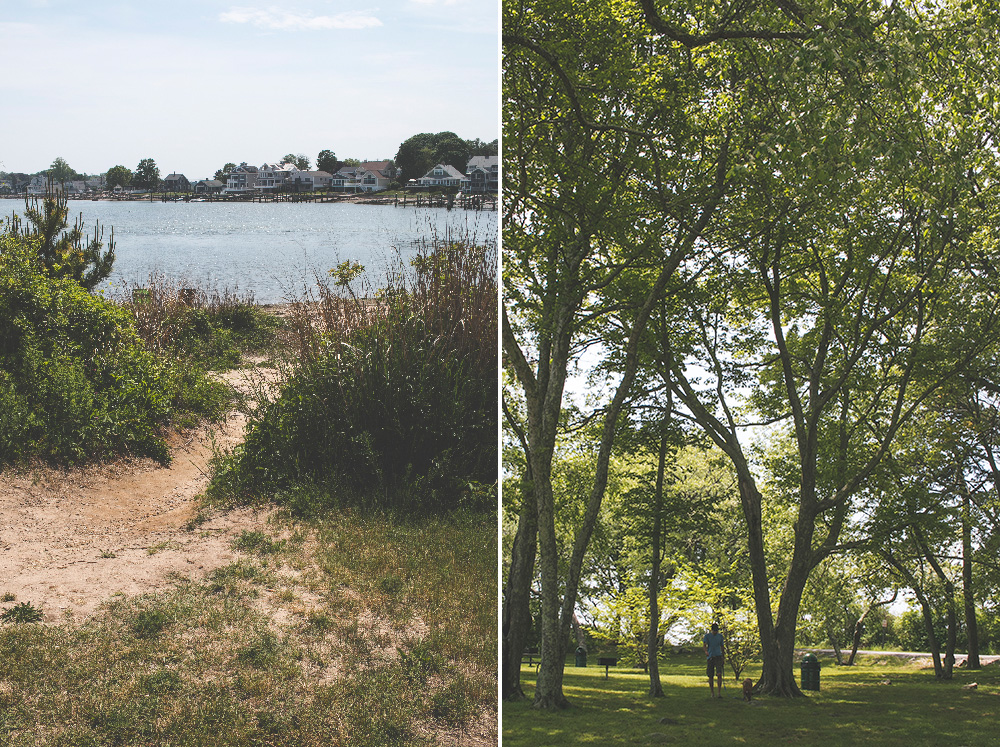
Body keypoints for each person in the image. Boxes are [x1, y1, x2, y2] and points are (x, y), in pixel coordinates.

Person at [703, 622, 725, 698]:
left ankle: (719, 692)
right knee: (710, 675)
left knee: (719, 674)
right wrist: (706, 652)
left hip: (718, 656)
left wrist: (723, 656)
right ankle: (712, 693)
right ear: (711, 630)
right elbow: (704, 645)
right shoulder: (707, 636)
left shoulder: (720, 636)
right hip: (710, 657)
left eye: (716, 631)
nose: (715, 632)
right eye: (714, 631)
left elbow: (722, 646)